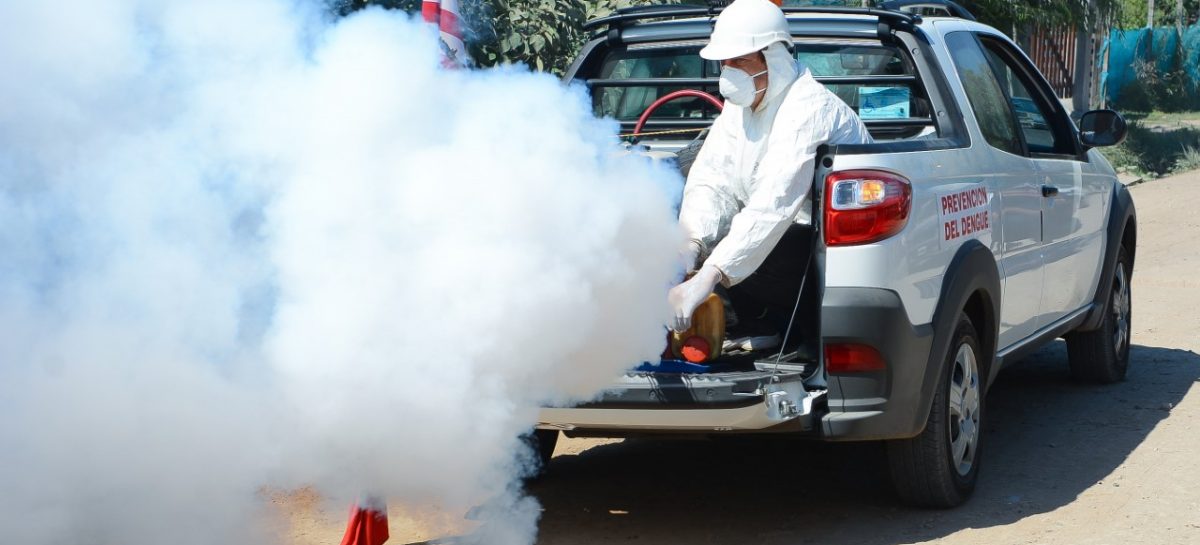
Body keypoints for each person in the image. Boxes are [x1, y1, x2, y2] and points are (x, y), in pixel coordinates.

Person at [667, 0, 873, 350]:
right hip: (776, 238)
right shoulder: (741, 108)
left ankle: (797, 332)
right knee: (681, 188)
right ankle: (754, 323)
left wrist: (708, 275)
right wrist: (689, 246)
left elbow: (772, 206)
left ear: (773, 58)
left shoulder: (806, 108)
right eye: (725, 62)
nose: (729, 71)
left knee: (739, 243)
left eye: (741, 61)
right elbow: (711, 178)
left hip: (826, 252)